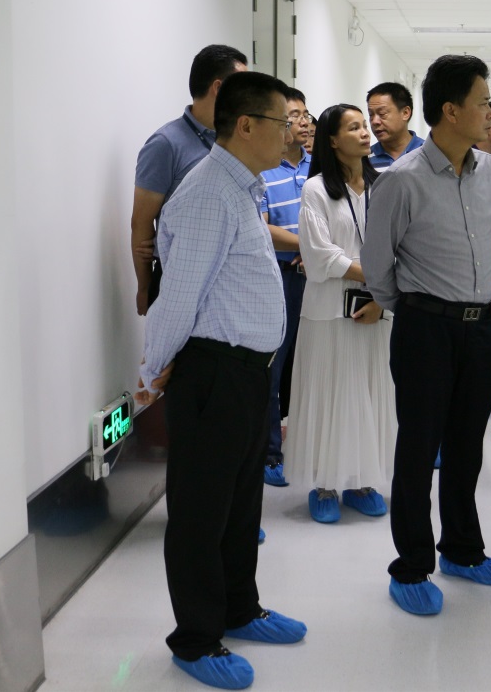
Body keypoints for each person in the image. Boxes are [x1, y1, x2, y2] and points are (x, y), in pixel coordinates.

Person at [135, 71, 307, 691]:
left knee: (239, 505)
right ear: (247, 125)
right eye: (283, 122)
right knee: (201, 514)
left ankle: (239, 608)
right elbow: (179, 297)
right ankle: (196, 639)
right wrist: (151, 372)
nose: (293, 133)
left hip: (247, 373)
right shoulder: (209, 193)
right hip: (213, 374)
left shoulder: (242, 187)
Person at [362, 54, 491, 617]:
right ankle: (410, 566)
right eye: (482, 102)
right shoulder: (401, 181)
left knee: (467, 447)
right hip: (426, 328)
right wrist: (417, 311)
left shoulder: (490, 170)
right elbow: (377, 266)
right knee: (419, 449)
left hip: (482, 328)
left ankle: (462, 551)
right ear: (451, 111)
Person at [285, 104, 397, 523]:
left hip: (375, 309)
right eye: (354, 127)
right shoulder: (316, 190)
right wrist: (375, 273)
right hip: (329, 311)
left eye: (365, 126)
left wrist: (382, 293)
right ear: (332, 140)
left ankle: (361, 480)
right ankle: (324, 485)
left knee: (368, 394)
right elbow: (318, 254)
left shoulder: (384, 184)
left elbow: (399, 244)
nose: (366, 132)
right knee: (330, 395)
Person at [131, 45, 248, 315]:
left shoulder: (237, 140)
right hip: (179, 276)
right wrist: (144, 287)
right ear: (219, 88)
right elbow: (141, 222)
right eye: (242, 85)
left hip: (230, 276)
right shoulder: (166, 144)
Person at [260, 87, 313, 489]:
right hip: (281, 276)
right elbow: (262, 228)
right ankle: (270, 453)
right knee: (274, 366)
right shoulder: (263, 170)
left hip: (320, 277)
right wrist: (308, 247)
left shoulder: (319, 167)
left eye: (306, 114)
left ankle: (310, 444)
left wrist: (317, 253)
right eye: (293, 115)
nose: (303, 122)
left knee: (310, 363)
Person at [366, 82, 424, 170]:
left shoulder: (427, 152)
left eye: (382, 113)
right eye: (371, 115)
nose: (374, 121)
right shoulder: (365, 159)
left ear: (405, 113)